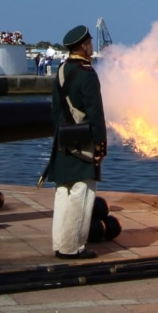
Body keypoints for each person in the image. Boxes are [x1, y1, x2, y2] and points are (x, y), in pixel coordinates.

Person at [45, 25, 107, 260]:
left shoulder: (61, 70)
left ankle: (60, 244)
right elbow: (96, 113)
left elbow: (54, 109)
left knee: (63, 192)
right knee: (82, 193)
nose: (92, 45)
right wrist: (100, 145)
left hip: (63, 138)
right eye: (90, 42)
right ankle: (74, 247)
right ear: (83, 46)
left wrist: (60, 133)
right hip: (83, 141)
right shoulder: (87, 73)